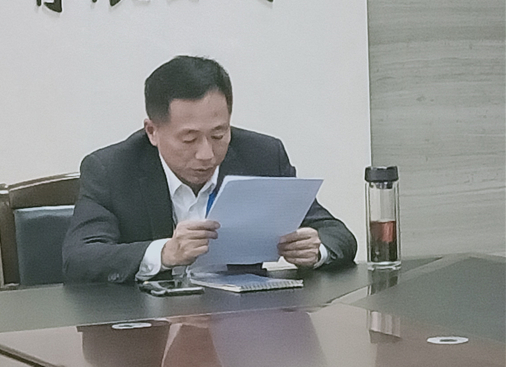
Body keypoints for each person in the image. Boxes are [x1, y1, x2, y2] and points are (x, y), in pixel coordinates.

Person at [62, 56, 356, 284]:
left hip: (241, 325)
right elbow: (80, 258)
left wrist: (316, 250)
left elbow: (336, 233)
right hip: (150, 327)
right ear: (152, 131)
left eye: (218, 135)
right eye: (189, 139)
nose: (206, 154)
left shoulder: (262, 157)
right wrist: (165, 253)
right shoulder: (111, 169)